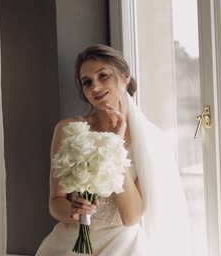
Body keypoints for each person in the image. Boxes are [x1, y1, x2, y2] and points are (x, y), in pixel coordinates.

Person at [36, 44, 189, 255]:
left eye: (103, 76)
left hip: (122, 247)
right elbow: (55, 202)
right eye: (87, 82)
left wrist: (114, 147)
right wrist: (74, 211)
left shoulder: (151, 140)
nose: (95, 87)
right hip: (69, 244)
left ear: (125, 77)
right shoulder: (69, 130)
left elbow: (131, 217)